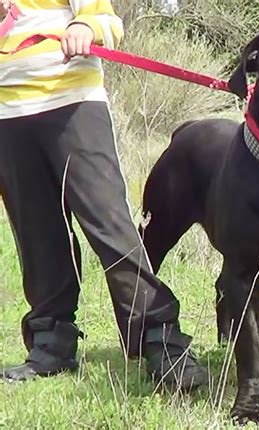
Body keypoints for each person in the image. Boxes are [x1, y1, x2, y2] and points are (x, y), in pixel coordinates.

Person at [0, 0, 207, 388]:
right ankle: (51, 344)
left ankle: (160, 340)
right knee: (36, 234)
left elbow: (106, 19)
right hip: (7, 114)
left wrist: (86, 28)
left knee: (108, 224)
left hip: (72, 101)